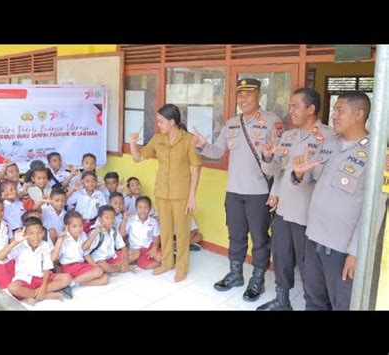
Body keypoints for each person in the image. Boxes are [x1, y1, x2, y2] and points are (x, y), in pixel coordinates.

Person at [292, 91, 386, 310]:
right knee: (313, 299)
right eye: (334, 109)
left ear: (359, 115)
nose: (333, 115)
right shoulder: (329, 143)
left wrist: (356, 251)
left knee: (342, 304)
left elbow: (376, 210)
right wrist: (298, 174)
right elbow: (311, 176)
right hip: (314, 235)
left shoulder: (378, 153)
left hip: (341, 248)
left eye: (339, 110)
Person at [193, 78, 283, 301]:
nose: (243, 99)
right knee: (235, 235)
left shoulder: (272, 122)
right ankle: (236, 274)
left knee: (260, 238)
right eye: (240, 95)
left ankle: (258, 280)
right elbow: (216, 152)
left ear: (259, 95)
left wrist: (275, 189)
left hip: (259, 192)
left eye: (248, 94)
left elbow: (279, 163)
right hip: (234, 191)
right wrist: (203, 145)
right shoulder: (232, 123)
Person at [257, 88, 334, 310]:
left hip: (308, 215)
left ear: (310, 109)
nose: (290, 111)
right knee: (281, 257)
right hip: (283, 209)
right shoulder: (288, 135)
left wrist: (302, 174)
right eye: (290, 106)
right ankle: (282, 300)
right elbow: (276, 172)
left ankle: (315, 305)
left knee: (309, 266)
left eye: (295, 106)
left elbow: (323, 178)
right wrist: (269, 157)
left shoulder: (327, 138)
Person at [130, 103, 202, 282]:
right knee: (166, 230)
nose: (159, 125)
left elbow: (196, 168)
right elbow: (138, 157)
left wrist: (192, 196)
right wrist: (133, 143)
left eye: (161, 121)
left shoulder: (188, 140)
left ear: (172, 122)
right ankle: (168, 262)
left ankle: (182, 267)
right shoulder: (157, 139)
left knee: (183, 232)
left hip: (182, 194)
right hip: (162, 191)